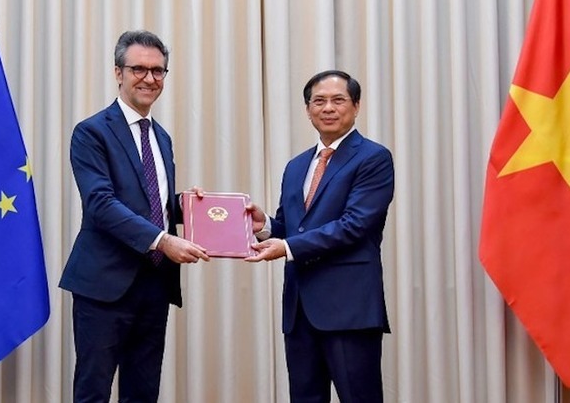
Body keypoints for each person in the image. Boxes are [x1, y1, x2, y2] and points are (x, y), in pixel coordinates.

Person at [59, 30, 209, 403]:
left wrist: (193, 207)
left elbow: (152, 202)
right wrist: (163, 240)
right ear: (118, 72)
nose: (149, 79)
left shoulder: (161, 137)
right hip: (104, 285)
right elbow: (101, 203)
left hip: (154, 284)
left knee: (143, 391)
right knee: (93, 391)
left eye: (158, 71)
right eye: (138, 69)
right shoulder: (91, 132)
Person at [246, 70, 394, 403]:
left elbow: (354, 225)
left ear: (356, 106)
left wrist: (286, 246)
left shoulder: (373, 158)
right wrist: (264, 225)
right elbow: (292, 227)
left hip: (349, 309)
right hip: (299, 310)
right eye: (319, 101)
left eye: (338, 100)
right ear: (307, 109)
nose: (328, 108)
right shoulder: (296, 166)